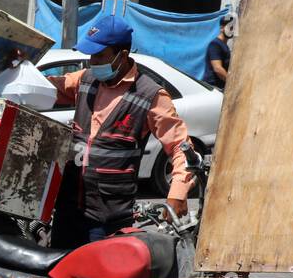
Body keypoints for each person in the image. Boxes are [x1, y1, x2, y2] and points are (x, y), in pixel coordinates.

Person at [46, 14, 196, 246]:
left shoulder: (150, 95)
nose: (92, 62)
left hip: (108, 217)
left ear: (122, 55)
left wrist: (177, 193)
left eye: (99, 56)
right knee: (57, 274)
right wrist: (16, 64)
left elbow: (180, 148)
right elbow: (44, 88)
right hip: (68, 207)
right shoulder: (84, 80)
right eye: (91, 56)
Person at [204, 13, 234, 89]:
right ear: (221, 28)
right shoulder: (215, 44)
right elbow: (218, 69)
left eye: (233, 28)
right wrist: (232, 83)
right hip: (214, 88)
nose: (232, 30)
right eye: (230, 27)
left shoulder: (224, 46)